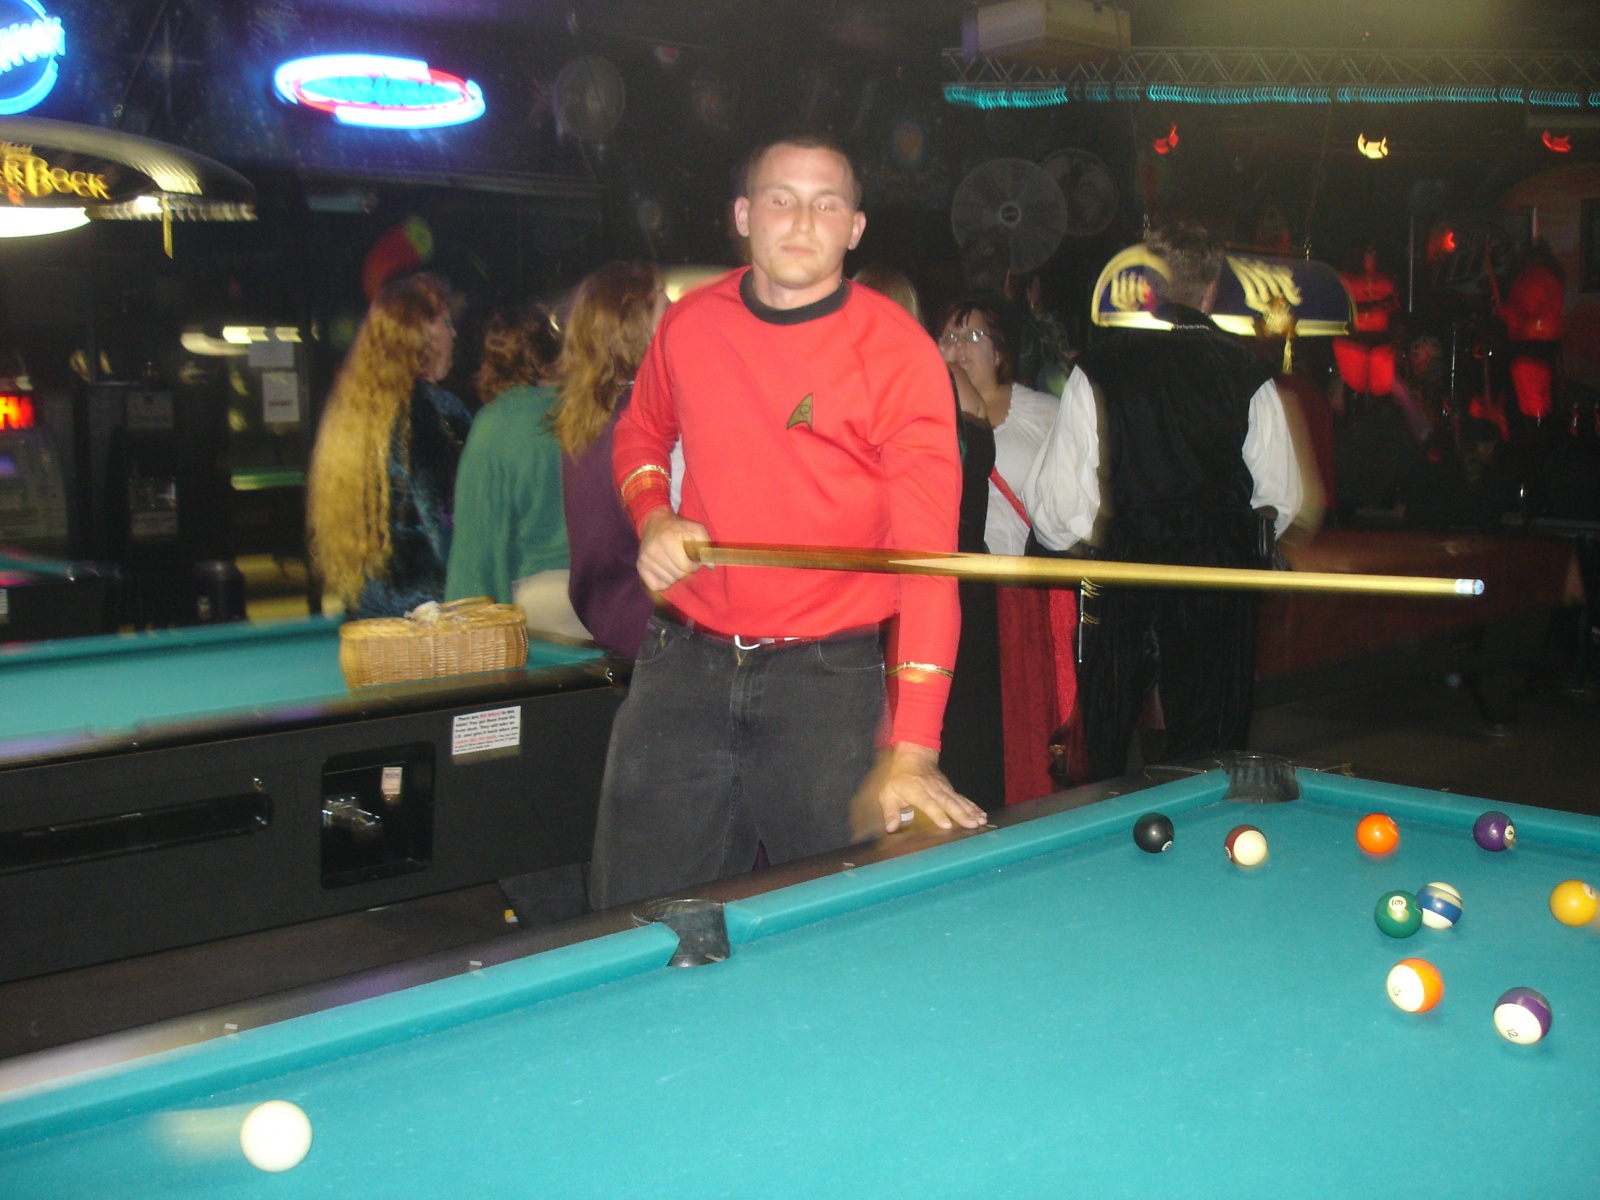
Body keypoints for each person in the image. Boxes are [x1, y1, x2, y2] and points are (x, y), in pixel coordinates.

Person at [592, 133, 985, 908]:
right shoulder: (690, 324)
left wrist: (914, 748)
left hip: (826, 686)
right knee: (634, 920)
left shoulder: (900, 355)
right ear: (744, 215)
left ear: (855, 228)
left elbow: (927, 566)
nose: (802, 222)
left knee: (841, 927)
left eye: (825, 204)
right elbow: (641, 432)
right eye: (781, 199)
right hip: (682, 667)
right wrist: (653, 515)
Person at [1022, 221, 1303, 782]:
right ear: (1212, 288)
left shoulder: (1100, 367)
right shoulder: (1247, 372)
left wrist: (1095, 551)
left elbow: (1056, 507)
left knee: (1105, 759)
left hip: (1126, 581)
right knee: (1209, 764)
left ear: (1148, 285)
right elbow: (1279, 498)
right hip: (1216, 590)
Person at [307, 273, 472, 619]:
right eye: (446, 323)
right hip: (428, 610)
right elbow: (442, 521)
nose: (454, 333)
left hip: (369, 604)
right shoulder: (435, 411)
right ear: (420, 333)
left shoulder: (354, 412)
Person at [445, 306, 589, 639]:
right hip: (603, 591)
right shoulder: (589, 411)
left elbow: (476, 539)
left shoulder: (495, 425)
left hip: (538, 601)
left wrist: (461, 619)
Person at [552, 262, 670, 656]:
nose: (675, 312)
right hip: (652, 625)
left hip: (606, 614)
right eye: (663, 305)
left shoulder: (590, 412)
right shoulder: (645, 420)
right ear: (633, 326)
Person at [935, 296, 1059, 558]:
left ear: (998, 354)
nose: (959, 345)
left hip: (1021, 574)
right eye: (949, 337)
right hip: (951, 570)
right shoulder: (922, 419)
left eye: (974, 335)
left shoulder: (1046, 413)